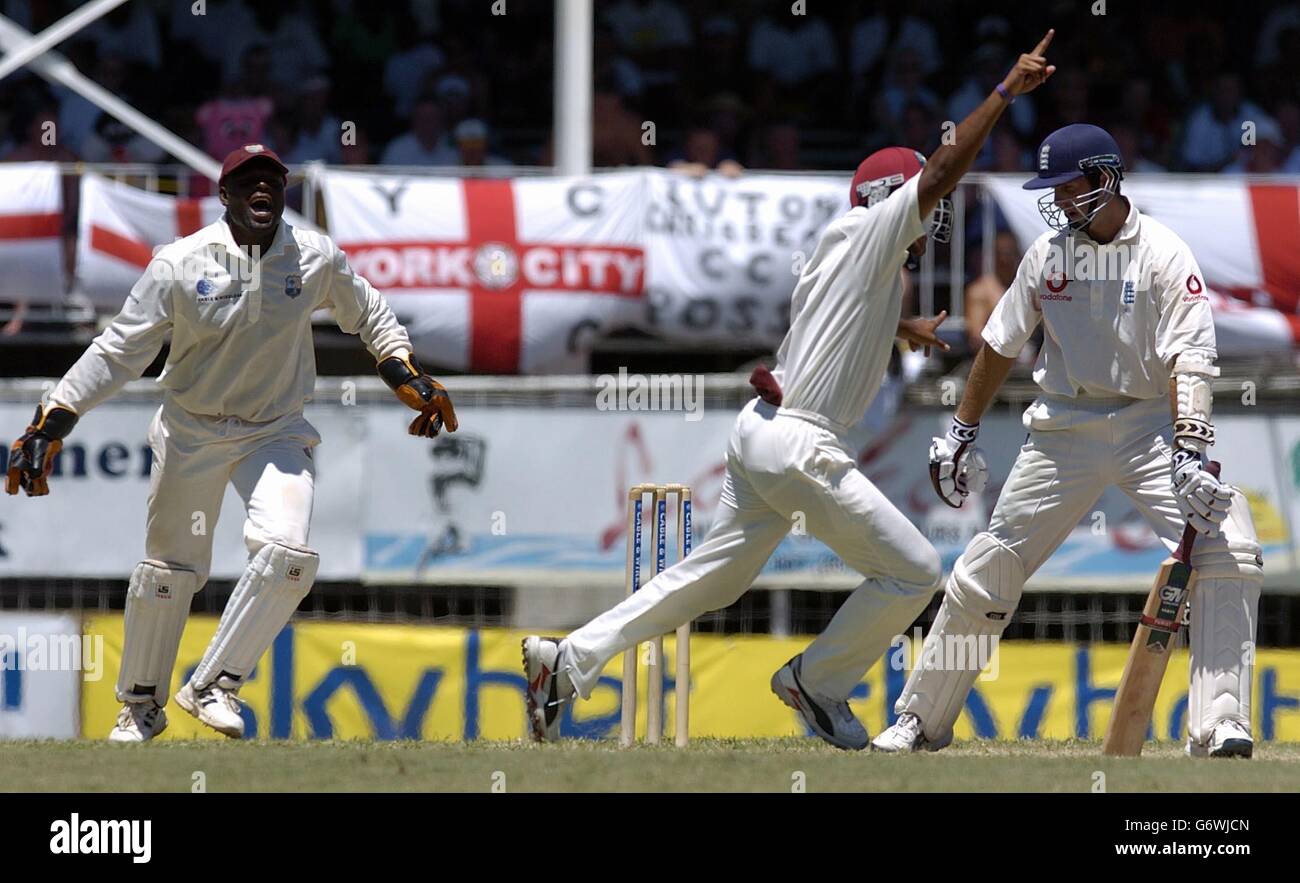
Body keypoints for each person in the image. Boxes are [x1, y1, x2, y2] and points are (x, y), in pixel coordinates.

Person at [523, 31, 1060, 750]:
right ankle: (817, 681)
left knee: (710, 580)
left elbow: (830, 319)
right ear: (890, 199)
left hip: (763, 432)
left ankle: (568, 661)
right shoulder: (873, 228)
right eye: (924, 205)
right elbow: (939, 171)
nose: (935, 217)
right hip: (802, 440)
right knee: (914, 570)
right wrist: (1001, 94)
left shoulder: (852, 251)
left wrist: (900, 328)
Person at [5, 145, 459, 742]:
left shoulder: (312, 256)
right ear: (226, 196)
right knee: (170, 570)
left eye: (272, 180)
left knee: (288, 555)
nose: (261, 190)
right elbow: (119, 351)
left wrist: (402, 369)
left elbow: (369, 311)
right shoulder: (179, 262)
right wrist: (51, 421)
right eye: (248, 182)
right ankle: (140, 704)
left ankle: (213, 685)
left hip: (274, 429)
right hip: (190, 429)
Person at [873, 124, 1263, 759]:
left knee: (1231, 545)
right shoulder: (1050, 255)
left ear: (1106, 178)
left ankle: (1219, 723)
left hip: (1150, 428)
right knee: (987, 567)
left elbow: (1190, 357)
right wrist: (961, 433)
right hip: (1062, 428)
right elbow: (999, 344)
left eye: (1068, 185)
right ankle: (920, 719)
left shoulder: (1164, 254)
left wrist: (1190, 450)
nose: (1056, 200)